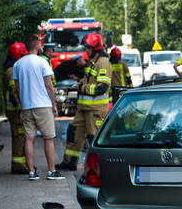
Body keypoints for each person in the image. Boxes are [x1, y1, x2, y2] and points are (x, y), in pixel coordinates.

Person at [12, 35, 64, 181]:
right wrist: (54, 105)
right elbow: (49, 85)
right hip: (43, 105)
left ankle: (31, 172)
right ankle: (51, 171)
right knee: (48, 139)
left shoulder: (18, 64)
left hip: (27, 106)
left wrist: (23, 103)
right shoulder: (42, 62)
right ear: (37, 47)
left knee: (29, 139)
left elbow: (17, 87)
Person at [58, 33, 111, 171]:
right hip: (84, 108)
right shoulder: (91, 62)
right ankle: (69, 163)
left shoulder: (103, 63)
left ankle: (98, 171)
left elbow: (102, 88)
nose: (86, 51)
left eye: (88, 48)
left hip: (96, 110)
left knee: (94, 139)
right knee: (73, 132)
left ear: (96, 48)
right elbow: (88, 80)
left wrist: (82, 87)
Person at [4, 42, 28, 174]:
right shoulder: (11, 70)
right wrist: (21, 108)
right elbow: (13, 93)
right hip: (15, 111)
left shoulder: (12, 68)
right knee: (19, 137)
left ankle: (22, 163)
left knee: (21, 136)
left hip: (15, 111)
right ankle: (18, 166)